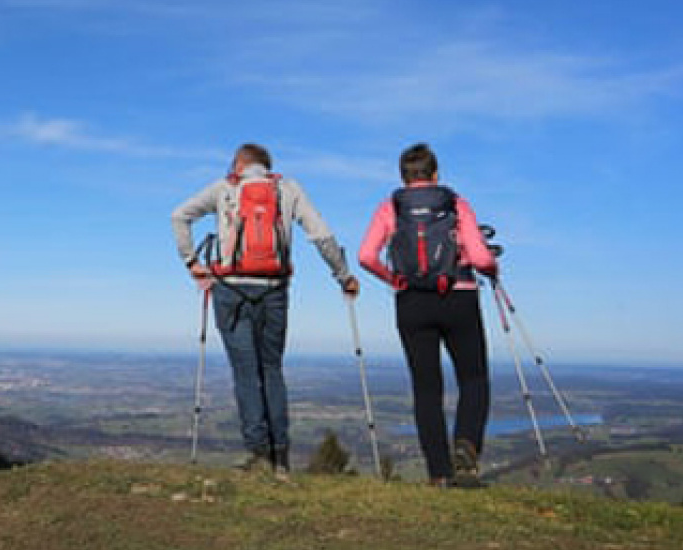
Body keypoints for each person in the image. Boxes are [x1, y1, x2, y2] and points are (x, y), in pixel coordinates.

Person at [171, 143, 360, 475]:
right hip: (274, 291)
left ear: (239, 165)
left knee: (246, 374)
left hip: (230, 291)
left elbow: (179, 215)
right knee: (271, 370)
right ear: (267, 167)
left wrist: (193, 263)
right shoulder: (287, 189)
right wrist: (343, 275)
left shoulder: (224, 188)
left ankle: (259, 456)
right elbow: (322, 235)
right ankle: (281, 458)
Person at [358, 143, 498, 487]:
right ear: (435, 174)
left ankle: (438, 473)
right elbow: (480, 259)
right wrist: (493, 267)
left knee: (426, 388)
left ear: (404, 177)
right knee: (473, 378)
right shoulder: (455, 204)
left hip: (411, 303)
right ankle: (466, 448)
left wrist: (395, 279)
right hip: (458, 297)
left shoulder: (390, 208)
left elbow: (365, 256)